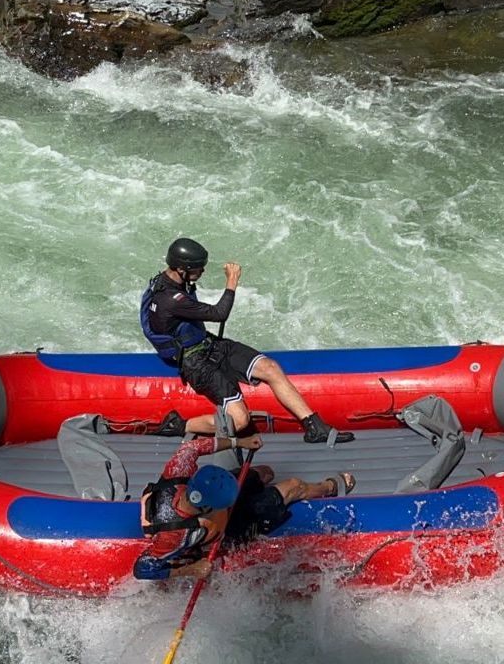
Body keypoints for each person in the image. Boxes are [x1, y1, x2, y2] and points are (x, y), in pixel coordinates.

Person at [140, 237, 354, 444]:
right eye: (198, 268)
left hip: (209, 345)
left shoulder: (170, 281)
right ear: (181, 269)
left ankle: (314, 426)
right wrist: (232, 281)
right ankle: (180, 425)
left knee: (270, 367)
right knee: (240, 421)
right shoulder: (170, 300)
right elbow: (219, 313)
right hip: (195, 363)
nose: (202, 272)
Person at [133, 433, 356, 580]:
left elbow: (193, 447)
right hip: (231, 524)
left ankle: (259, 486)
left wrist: (238, 442)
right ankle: (330, 486)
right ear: (207, 509)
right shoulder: (175, 536)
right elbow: (142, 568)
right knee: (294, 486)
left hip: (217, 494)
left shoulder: (177, 472)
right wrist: (190, 570)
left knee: (265, 472)